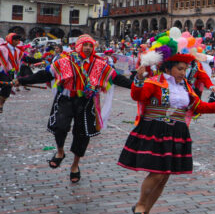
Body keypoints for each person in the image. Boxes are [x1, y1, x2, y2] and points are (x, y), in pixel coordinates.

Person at [119, 51, 215, 214]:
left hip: (176, 132)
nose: (183, 73)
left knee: (164, 176)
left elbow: (197, 106)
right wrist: (139, 79)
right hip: (155, 129)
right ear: (168, 68)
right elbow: (138, 96)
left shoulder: (186, 86)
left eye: (185, 69)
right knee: (156, 172)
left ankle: (146, 212)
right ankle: (140, 205)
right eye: (180, 69)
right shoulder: (153, 82)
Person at [20, 35, 133, 183]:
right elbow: (46, 74)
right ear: (78, 46)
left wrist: (135, 86)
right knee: (60, 126)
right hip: (66, 98)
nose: (88, 48)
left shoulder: (99, 64)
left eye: (91, 45)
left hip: (85, 102)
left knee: (82, 134)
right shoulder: (65, 61)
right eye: (85, 45)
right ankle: (60, 152)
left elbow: (116, 78)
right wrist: (22, 80)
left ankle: (75, 165)